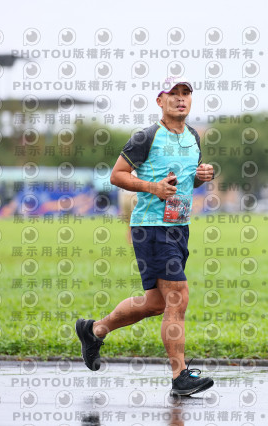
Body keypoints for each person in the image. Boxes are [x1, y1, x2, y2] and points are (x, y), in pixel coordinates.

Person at [75, 78, 216, 397]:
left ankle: (94, 330)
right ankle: (180, 376)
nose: (180, 99)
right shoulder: (146, 136)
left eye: (185, 93)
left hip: (179, 227)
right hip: (151, 227)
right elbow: (117, 175)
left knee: (155, 303)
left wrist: (201, 177)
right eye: (173, 94)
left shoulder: (193, 137)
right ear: (160, 101)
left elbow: (187, 182)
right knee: (178, 296)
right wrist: (153, 187)